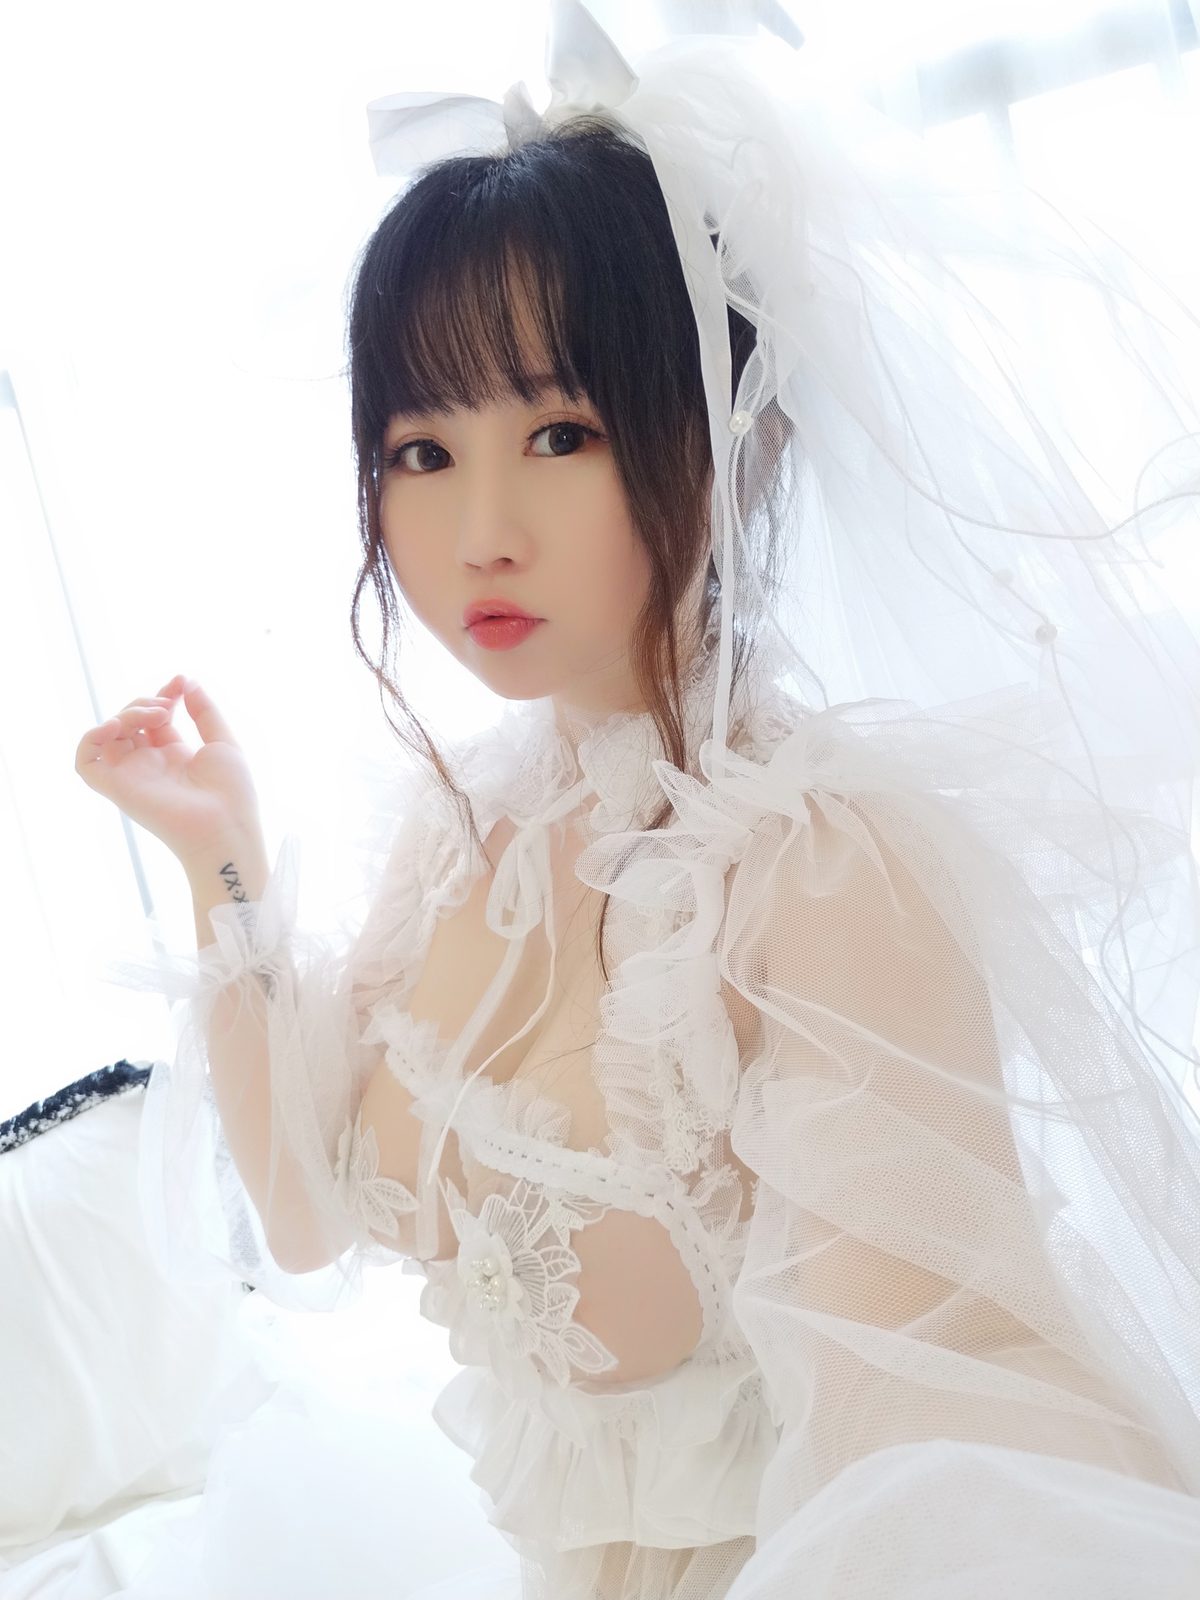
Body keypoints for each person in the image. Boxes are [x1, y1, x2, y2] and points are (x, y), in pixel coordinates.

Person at [62, 2, 1200, 1596]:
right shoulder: (463, 834)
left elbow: (927, 1453)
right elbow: (307, 1219)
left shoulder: (816, 867)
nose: (481, 529)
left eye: (560, 431)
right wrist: (220, 862)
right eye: (421, 450)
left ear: (736, 444)